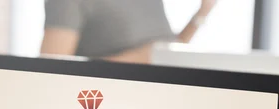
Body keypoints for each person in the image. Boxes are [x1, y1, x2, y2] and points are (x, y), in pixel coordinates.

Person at [40, 0, 217, 64]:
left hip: (168, 101)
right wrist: (137, 59)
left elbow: (169, 51)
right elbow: (52, 69)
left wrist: (202, 13)